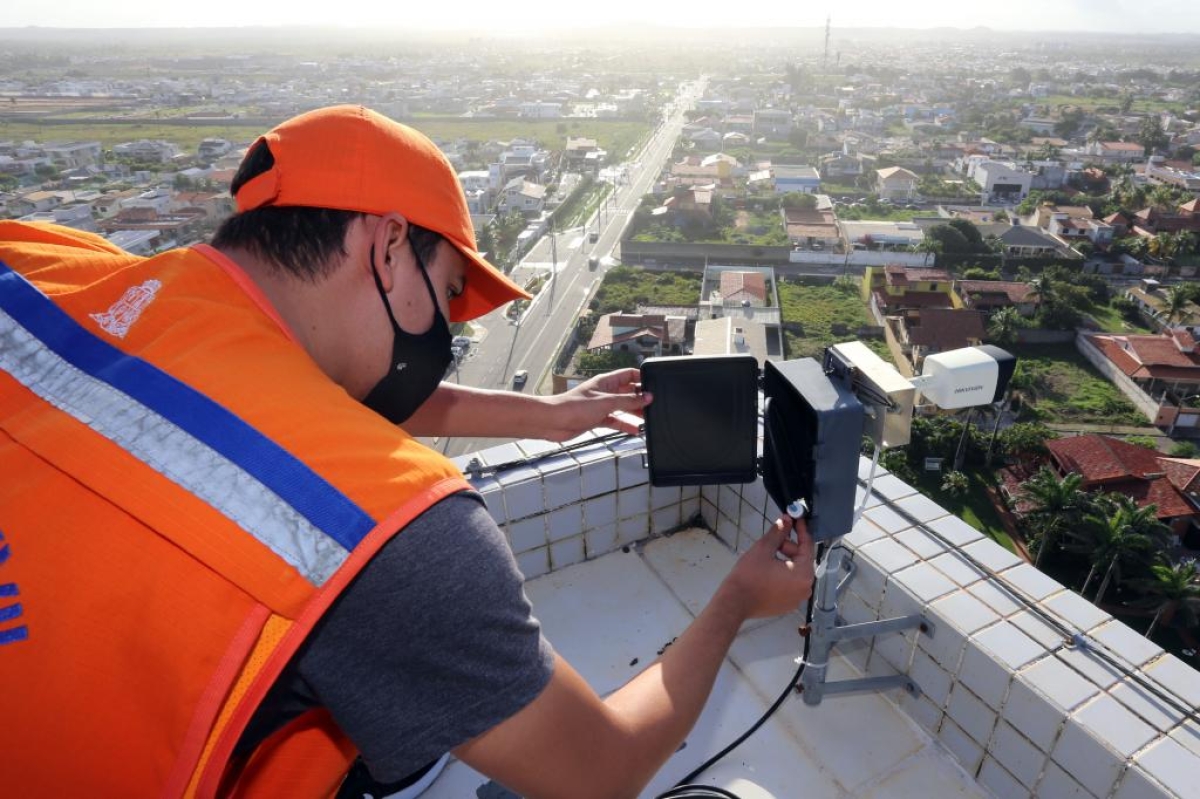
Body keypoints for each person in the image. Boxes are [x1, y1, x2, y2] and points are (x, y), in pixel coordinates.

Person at [0, 105, 814, 798]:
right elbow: (600, 769)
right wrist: (737, 600)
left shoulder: (50, 275)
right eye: (447, 289)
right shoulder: (381, 529)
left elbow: (312, 400)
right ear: (387, 247)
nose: (446, 327)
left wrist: (552, 415)